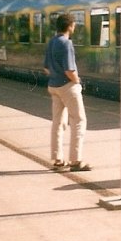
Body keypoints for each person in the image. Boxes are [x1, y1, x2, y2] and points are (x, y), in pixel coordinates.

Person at [43, 13, 91, 172]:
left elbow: (46, 68)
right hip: (67, 86)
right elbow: (70, 69)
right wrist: (77, 81)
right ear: (70, 26)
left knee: (58, 123)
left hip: (53, 86)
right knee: (78, 121)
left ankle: (57, 159)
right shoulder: (66, 43)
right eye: (74, 24)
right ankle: (75, 161)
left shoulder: (51, 42)